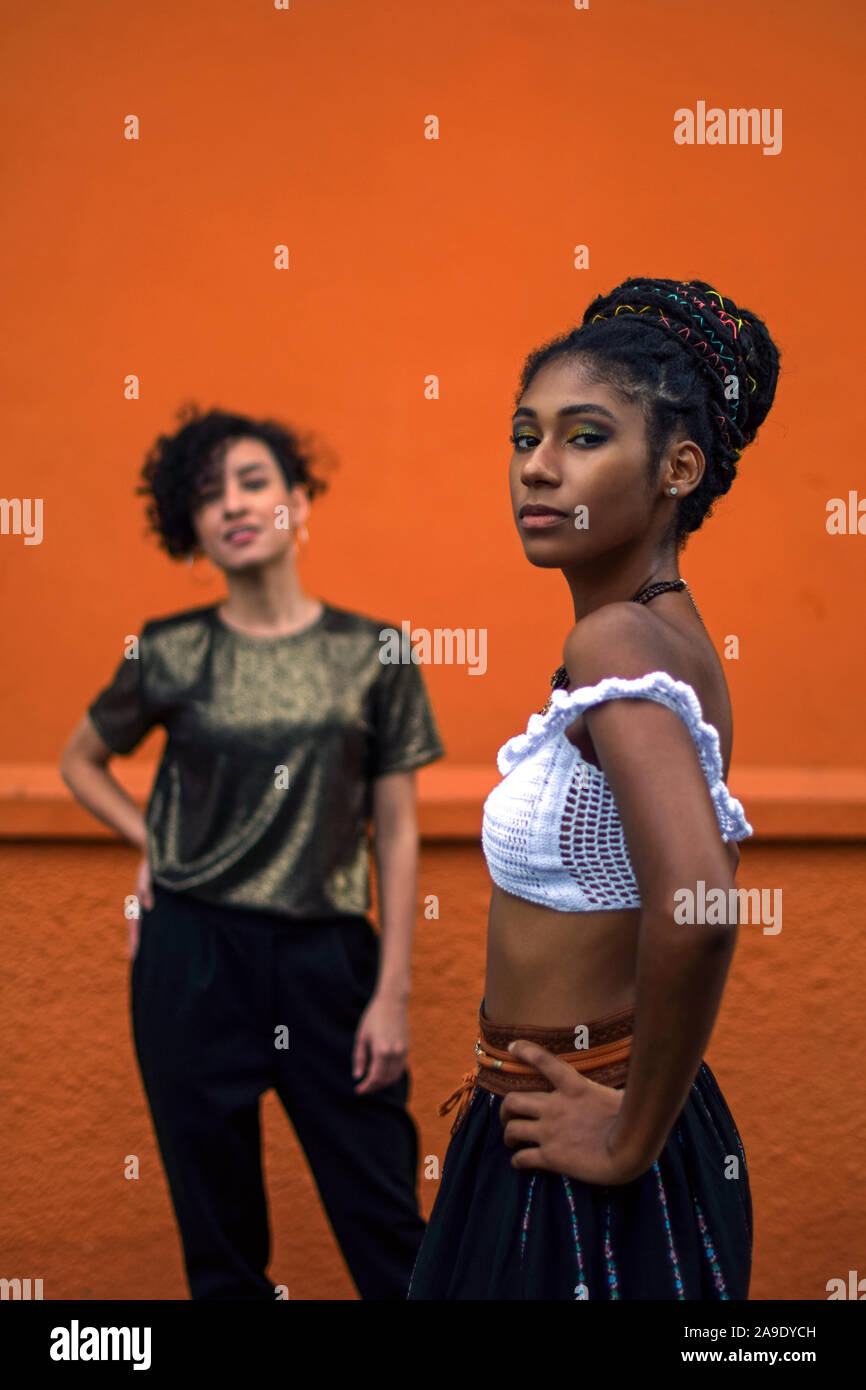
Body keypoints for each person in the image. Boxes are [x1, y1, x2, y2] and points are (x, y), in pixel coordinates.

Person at [407, 277, 780, 1300]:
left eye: (581, 436)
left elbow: (698, 903)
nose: (534, 464)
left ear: (677, 467)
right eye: (524, 433)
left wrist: (624, 1138)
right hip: (568, 1117)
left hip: (586, 1160)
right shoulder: (662, 637)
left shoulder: (615, 637)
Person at [59, 404, 445, 1300]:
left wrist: (391, 994)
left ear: (300, 501)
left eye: (253, 481)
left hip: (327, 963)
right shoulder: (168, 651)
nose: (231, 505)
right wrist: (149, 841)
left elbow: (397, 829)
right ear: (188, 525)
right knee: (222, 1245)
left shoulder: (375, 652)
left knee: (390, 1227)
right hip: (189, 960)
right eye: (205, 495)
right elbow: (81, 762)